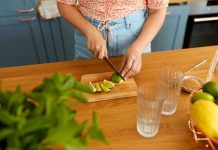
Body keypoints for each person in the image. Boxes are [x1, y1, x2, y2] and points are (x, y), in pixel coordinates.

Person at [57, 0, 168, 80]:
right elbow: (64, 4)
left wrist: (137, 49)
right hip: (89, 35)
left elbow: (158, 10)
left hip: (137, 39)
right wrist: (90, 31)